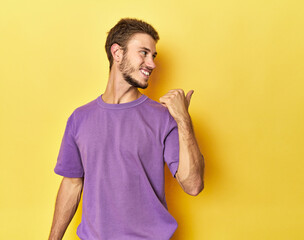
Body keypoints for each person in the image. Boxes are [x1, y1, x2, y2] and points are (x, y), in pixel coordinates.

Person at [48, 18, 205, 240]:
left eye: (153, 56)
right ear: (117, 53)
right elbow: (72, 184)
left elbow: (193, 185)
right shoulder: (80, 118)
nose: (151, 64)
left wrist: (183, 120)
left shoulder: (163, 117)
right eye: (143, 53)